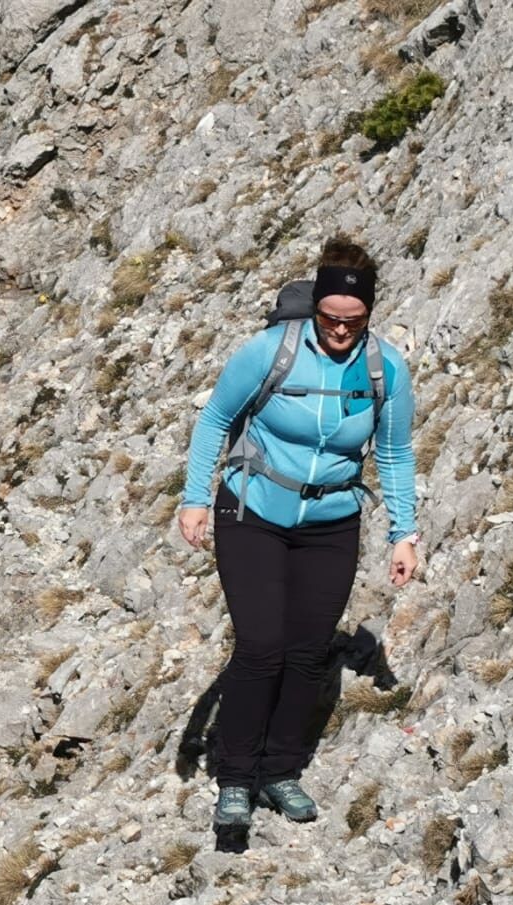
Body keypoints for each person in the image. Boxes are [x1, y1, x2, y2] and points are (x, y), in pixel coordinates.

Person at [177, 234, 419, 844]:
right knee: (261, 646)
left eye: (353, 321)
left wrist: (404, 533)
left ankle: (280, 771)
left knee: (309, 652)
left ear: (369, 314)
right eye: (330, 317)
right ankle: (235, 779)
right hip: (252, 509)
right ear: (316, 307)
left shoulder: (385, 370)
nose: (340, 330)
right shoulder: (270, 352)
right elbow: (215, 418)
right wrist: (194, 498)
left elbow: (393, 452)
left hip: (332, 522)